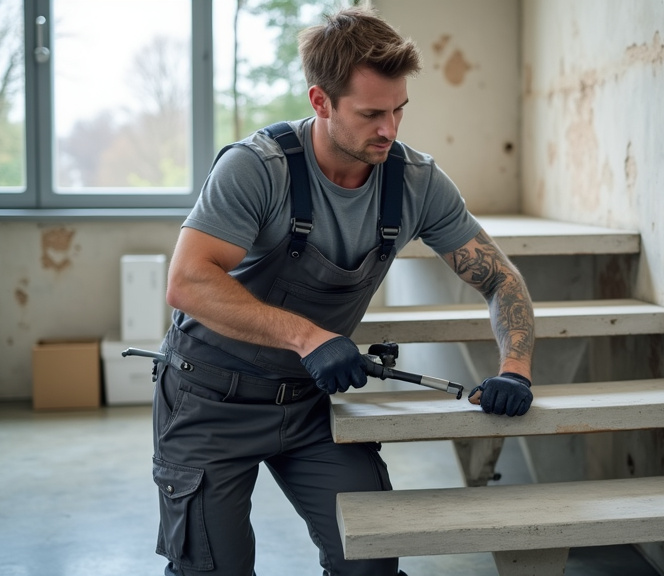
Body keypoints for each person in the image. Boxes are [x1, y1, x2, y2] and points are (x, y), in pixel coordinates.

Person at [150, 6, 535, 576]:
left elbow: (501, 277)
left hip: (310, 406)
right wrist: (309, 337)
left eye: (399, 109)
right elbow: (187, 282)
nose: (390, 129)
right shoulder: (257, 169)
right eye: (371, 113)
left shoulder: (416, 182)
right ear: (321, 101)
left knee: (371, 560)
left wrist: (515, 370)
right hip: (209, 402)